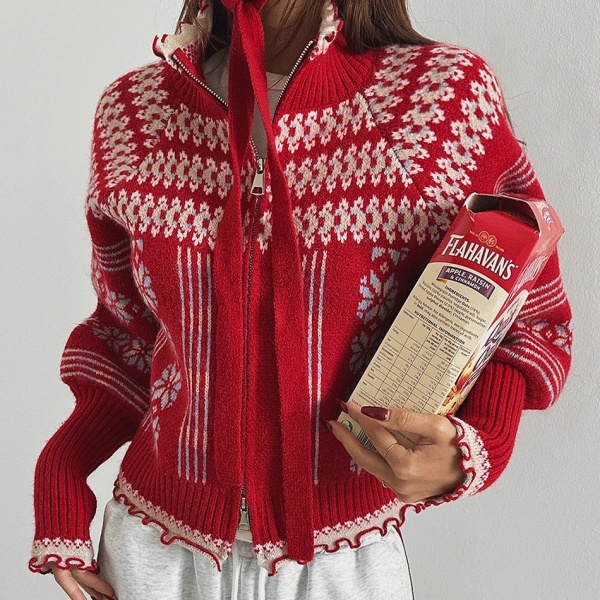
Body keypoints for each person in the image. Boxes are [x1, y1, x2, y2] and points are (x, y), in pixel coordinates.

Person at [29, 0, 573, 598]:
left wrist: (479, 443)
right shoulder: (134, 112)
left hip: (341, 560)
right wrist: (61, 475)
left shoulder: (439, 98)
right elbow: (125, 337)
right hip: (152, 552)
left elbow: (531, 317)